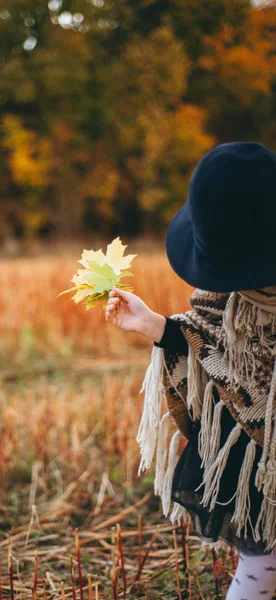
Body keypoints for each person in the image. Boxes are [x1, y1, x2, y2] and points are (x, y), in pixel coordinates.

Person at [105, 141, 276, 599]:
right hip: (265, 470)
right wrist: (155, 326)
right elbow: (210, 342)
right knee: (263, 559)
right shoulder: (226, 296)